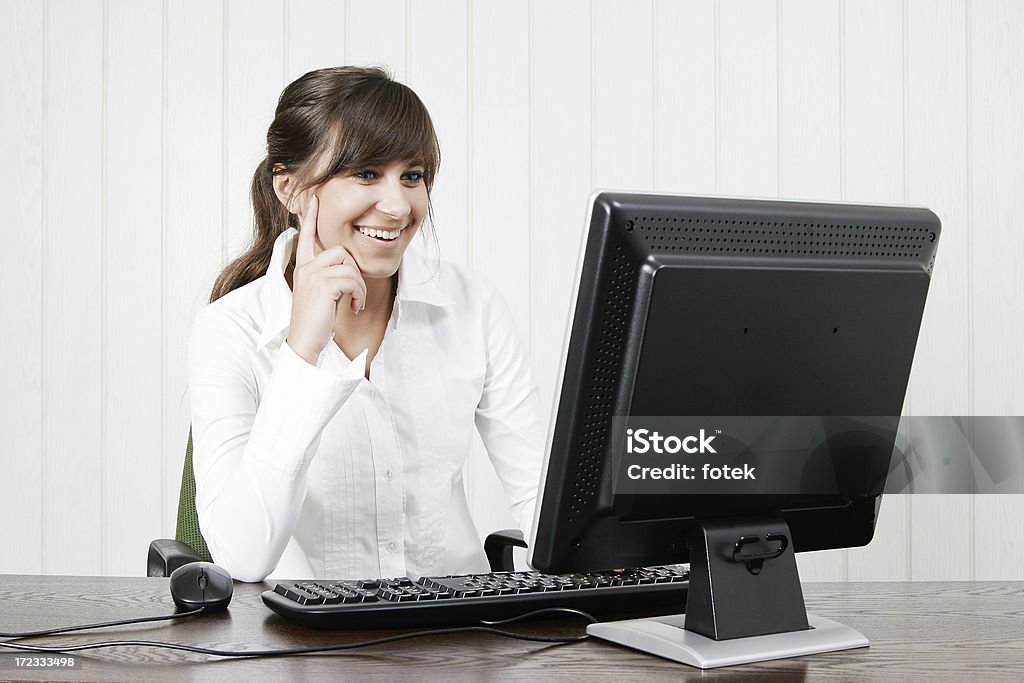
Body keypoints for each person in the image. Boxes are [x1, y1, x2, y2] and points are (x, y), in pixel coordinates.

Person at [187, 66, 544, 583]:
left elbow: (538, 487)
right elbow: (244, 557)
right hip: (299, 647)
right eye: (366, 174)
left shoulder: (473, 305)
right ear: (289, 187)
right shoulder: (228, 330)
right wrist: (301, 351)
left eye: (413, 176)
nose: (398, 206)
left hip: (456, 635)